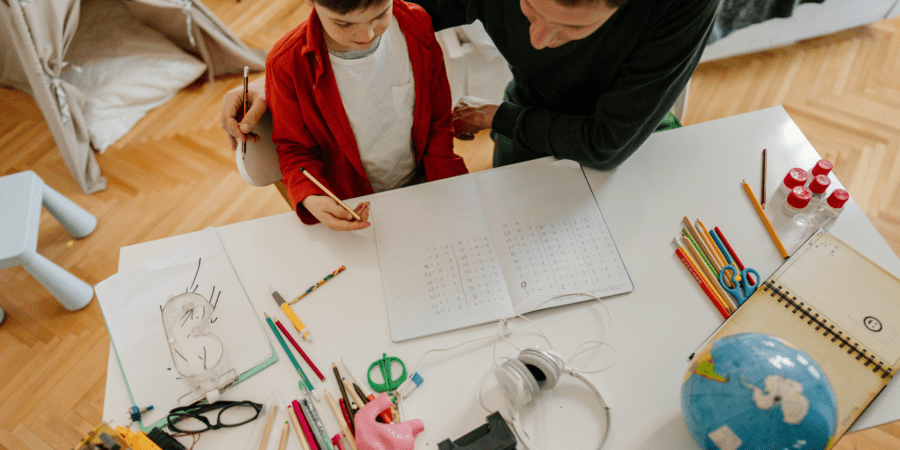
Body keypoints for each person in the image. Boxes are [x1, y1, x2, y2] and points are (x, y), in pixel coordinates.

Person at [222, 0, 719, 174]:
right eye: (528, 11)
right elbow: (371, 14)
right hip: (526, 125)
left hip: (631, 143)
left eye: (573, 31)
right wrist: (285, 76)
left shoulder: (680, 9)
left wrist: (495, 116)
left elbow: (607, 144)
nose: (539, 41)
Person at [258, 0, 468, 231]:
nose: (366, 34)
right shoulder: (286, 64)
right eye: (344, 24)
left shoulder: (415, 24)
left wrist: (443, 182)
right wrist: (311, 195)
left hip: (423, 184)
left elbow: (437, 120)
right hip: (352, 202)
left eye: (380, 15)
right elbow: (294, 150)